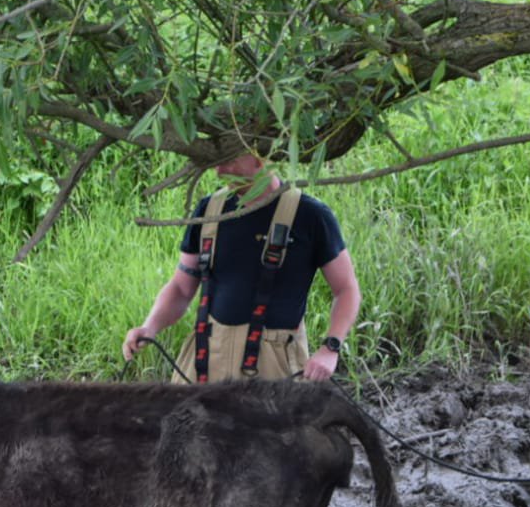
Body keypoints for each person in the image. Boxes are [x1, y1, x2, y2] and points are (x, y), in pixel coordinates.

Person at [122, 153, 360, 383]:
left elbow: (346, 289)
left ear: (260, 155)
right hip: (206, 357)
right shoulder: (208, 210)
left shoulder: (310, 215)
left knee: (275, 425)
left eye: (229, 160)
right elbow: (181, 288)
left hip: (275, 365)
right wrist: (150, 326)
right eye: (216, 160)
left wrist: (331, 348)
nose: (219, 170)